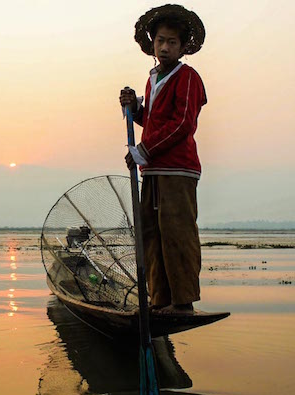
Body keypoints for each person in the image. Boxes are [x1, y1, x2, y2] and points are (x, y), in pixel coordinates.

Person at [119, 4, 207, 315]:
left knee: (176, 232)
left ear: (183, 47)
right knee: (152, 235)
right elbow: (155, 121)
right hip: (153, 169)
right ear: (152, 45)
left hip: (178, 170)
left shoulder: (188, 78)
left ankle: (182, 304)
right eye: (160, 41)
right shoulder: (153, 78)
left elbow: (182, 124)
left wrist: (142, 151)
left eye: (171, 42)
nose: (165, 47)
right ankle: (160, 302)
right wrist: (134, 109)